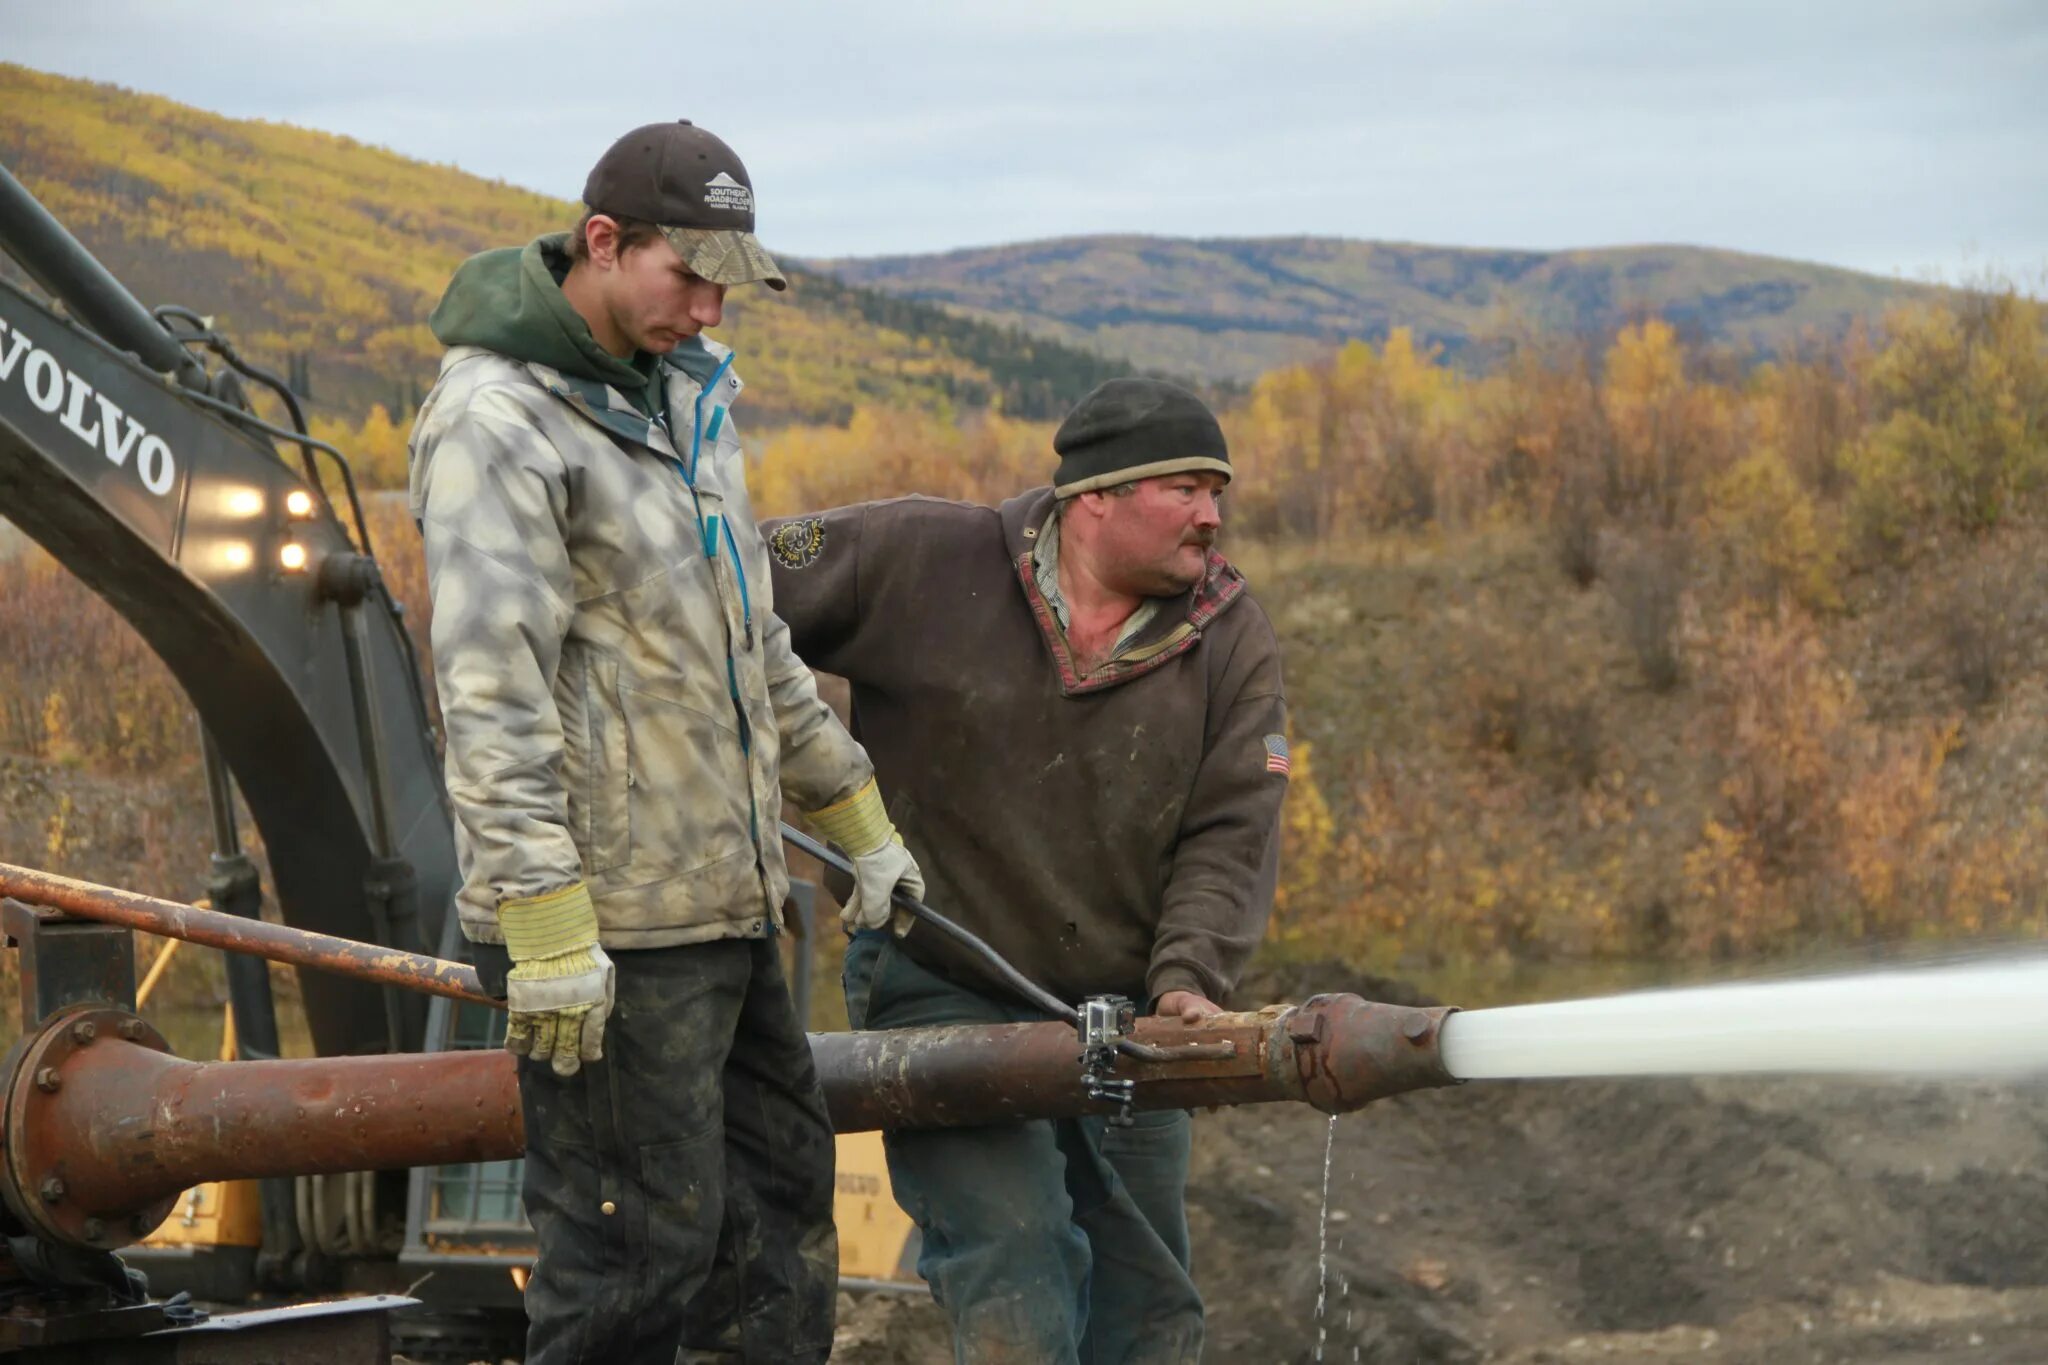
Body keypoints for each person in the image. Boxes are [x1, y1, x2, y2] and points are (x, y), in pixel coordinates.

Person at [407, 119, 923, 1365]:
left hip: (731, 909)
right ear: (601, 243)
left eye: (723, 283)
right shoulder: (498, 424)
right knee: (636, 1259)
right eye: (683, 276)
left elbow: (755, 651)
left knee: (776, 1218)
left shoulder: (686, 407)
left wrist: (857, 825)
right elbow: (490, 695)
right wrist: (542, 927)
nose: (704, 308)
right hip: (610, 935)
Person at [766, 378, 1288, 1363]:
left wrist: (1186, 983)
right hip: (937, 986)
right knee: (1021, 1268)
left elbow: (1229, 830)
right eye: (1183, 489)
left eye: (1216, 491)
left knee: (1148, 1311)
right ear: (1095, 497)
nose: (1212, 516)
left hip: (1127, 1011)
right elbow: (708, 596)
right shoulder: (920, 560)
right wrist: (736, 749)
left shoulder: (1225, 637)